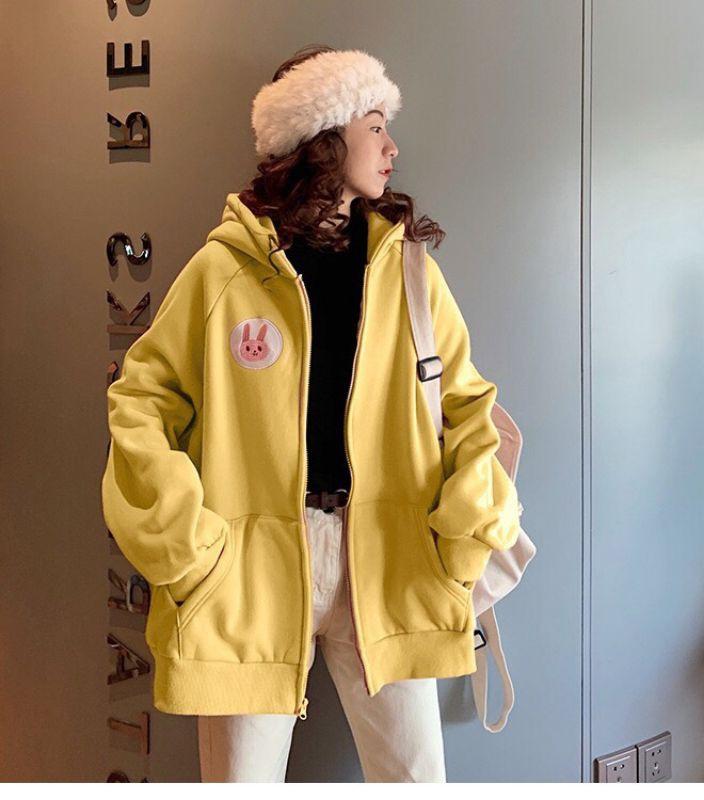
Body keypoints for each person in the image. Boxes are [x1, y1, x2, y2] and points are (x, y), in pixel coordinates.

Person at [102, 45, 521, 783]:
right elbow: (140, 403)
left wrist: (460, 539)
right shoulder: (225, 270)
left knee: (416, 783)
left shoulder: (409, 272)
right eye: (375, 125)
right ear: (324, 137)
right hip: (247, 569)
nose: (392, 147)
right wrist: (193, 551)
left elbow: (469, 406)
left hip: (387, 560)